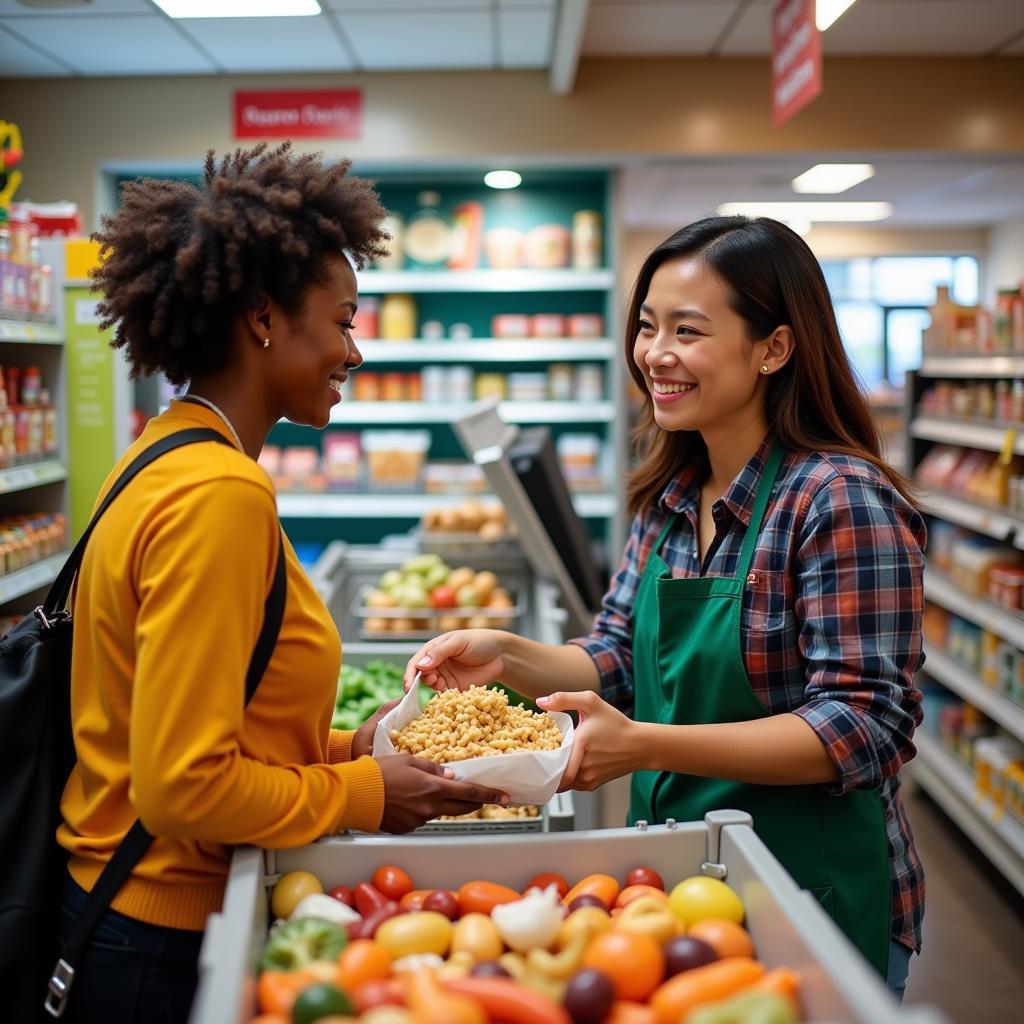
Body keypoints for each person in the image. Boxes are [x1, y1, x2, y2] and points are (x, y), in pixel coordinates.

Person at [406, 215, 925, 999]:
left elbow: (862, 726)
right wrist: (505, 656)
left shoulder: (838, 501)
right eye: (647, 326)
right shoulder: (673, 493)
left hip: (810, 893)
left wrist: (647, 745)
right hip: (683, 879)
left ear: (773, 349)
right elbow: (618, 651)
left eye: (688, 329)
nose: (655, 353)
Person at [57, 143, 507, 1024]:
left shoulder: (163, 450)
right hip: (156, 935)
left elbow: (207, 723)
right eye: (341, 321)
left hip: (130, 908)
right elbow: (183, 787)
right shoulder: (220, 494)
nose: (355, 349)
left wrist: (351, 748)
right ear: (263, 316)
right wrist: (370, 795)